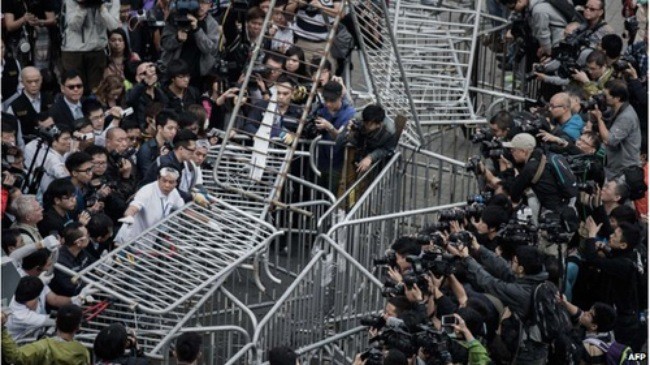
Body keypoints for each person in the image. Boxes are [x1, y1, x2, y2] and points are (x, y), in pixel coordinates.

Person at [450, 240, 549, 364]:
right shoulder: (538, 278)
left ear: (521, 269)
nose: (510, 263)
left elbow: (489, 282)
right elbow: (503, 268)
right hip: (539, 347)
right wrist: (479, 248)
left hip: (527, 353)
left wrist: (467, 258)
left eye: (514, 261)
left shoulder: (521, 293)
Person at [583, 221, 643, 350]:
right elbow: (611, 257)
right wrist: (604, 248)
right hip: (625, 315)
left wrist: (591, 236)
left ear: (623, 245)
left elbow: (593, 259)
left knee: (623, 355)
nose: (610, 236)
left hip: (625, 323)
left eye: (615, 236)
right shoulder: (629, 254)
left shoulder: (624, 265)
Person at [2, 304, 91, 365]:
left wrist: (2, 329)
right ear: (78, 327)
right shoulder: (83, 352)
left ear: (56, 322)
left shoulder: (44, 347)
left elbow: (15, 356)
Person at [60, 0, 120, 91]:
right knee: (75, 88)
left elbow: (113, 26)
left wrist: (102, 9)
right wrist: (82, 6)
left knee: (96, 90)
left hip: (97, 50)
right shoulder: (71, 1)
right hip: (73, 51)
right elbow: (73, 26)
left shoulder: (112, 1)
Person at [160, 0, 220, 88]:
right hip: (174, 72)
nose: (201, 6)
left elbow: (210, 49)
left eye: (205, 2)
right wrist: (177, 39)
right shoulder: (177, 17)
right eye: (198, 2)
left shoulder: (212, 24)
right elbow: (164, 44)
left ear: (210, 5)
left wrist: (197, 30)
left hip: (197, 75)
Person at [117, 167, 185, 245]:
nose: (167, 185)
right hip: (129, 240)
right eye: (164, 181)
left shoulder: (174, 192)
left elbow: (184, 209)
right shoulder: (147, 190)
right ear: (158, 179)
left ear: (176, 183)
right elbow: (134, 207)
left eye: (171, 182)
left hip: (147, 242)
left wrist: (202, 218)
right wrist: (129, 216)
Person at [590, 79, 642, 180]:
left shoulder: (626, 116)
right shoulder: (616, 109)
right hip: (614, 167)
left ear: (617, 98)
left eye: (606, 96)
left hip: (623, 171)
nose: (603, 98)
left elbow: (609, 140)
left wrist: (599, 118)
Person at [314, 81, 356, 193]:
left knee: (332, 193)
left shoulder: (349, 113)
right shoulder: (319, 109)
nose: (328, 104)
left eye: (332, 101)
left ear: (340, 97)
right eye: (326, 100)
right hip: (318, 160)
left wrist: (330, 127)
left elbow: (342, 138)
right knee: (315, 193)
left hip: (337, 163)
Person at [140, 129, 198, 202]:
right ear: (181, 149)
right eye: (192, 150)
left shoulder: (178, 162)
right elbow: (170, 190)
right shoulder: (168, 165)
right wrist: (193, 197)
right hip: (148, 201)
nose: (194, 153)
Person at [501, 0, 567, 58]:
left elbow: (543, 35)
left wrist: (548, 54)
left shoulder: (538, 10)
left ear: (519, 1)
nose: (513, 11)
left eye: (512, 8)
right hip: (554, 40)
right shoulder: (532, 6)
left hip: (559, 41)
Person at [6, 67, 55, 139]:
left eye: (36, 81)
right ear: (22, 82)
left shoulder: (50, 99)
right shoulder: (14, 106)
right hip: (27, 145)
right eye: (29, 82)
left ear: (41, 79)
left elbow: (59, 125)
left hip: (52, 143)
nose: (34, 85)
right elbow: (10, 133)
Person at [23, 124, 72, 194]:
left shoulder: (58, 152)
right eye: (65, 139)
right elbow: (65, 177)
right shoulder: (52, 158)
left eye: (70, 138)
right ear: (54, 142)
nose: (69, 142)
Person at [49, 222, 93, 297]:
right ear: (78, 242)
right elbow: (71, 288)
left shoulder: (81, 251)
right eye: (87, 235)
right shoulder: (60, 261)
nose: (89, 236)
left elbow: (95, 266)